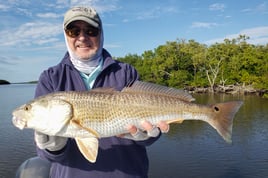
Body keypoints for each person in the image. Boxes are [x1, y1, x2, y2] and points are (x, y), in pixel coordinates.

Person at [33, 6, 169, 178]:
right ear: (65, 36)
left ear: (101, 34)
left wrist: (148, 136)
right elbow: (45, 155)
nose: (82, 37)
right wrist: (54, 147)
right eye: (73, 31)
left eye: (91, 30)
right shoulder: (51, 78)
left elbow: (148, 132)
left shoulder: (125, 72)